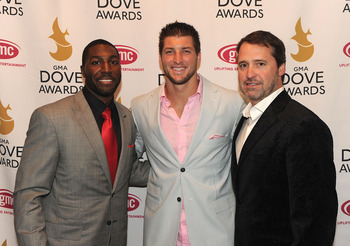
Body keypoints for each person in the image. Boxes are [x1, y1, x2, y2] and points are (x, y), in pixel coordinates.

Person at [13, 39, 149, 246]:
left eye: (113, 62)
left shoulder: (126, 118)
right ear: (82, 70)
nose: (106, 69)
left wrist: (180, 168)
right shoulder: (51, 118)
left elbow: (126, 172)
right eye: (96, 62)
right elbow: (28, 195)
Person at [131, 22, 244, 246]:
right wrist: (159, 175)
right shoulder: (140, 106)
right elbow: (130, 163)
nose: (178, 59)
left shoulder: (232, 103)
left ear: (198, 56)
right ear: (160, 57)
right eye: (169, 51)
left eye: (186, 51)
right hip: (161, 231)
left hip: (216, 231)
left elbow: (245, 164)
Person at [232, 30, 338, 246]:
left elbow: (315, 221)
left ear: (281, 68)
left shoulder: (303, 126)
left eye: (260, 64)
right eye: (243, 65)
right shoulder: (245, 120)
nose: (249, 73)